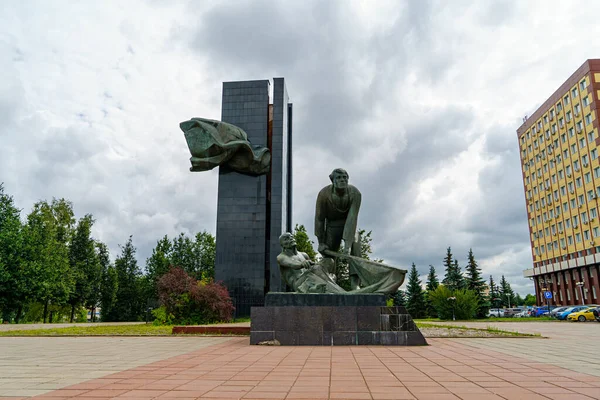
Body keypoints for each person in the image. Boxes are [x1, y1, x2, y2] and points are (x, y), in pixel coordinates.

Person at [315, 168, 361, 287]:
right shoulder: (323, 194)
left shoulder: (355, 193)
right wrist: (321, 242)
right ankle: (329, 281)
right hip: (331, 226)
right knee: (328, 255)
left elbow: (352, 218)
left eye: (345, 177)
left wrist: (347, 245)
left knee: (356, 244)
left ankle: (355, 283)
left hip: (348, 226)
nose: (342, 180)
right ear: (332, 180)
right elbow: (319, 219)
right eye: (339, 178)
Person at [276, 233, 346, 294]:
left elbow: (313, 267)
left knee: (329, 261)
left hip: (309, 276)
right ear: (283, 245)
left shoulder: (304, 255)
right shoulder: (281, 257)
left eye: (291, 237)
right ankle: (338, 289)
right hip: (298, 283)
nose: (291, 239)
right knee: (316, 268)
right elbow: (292, 264)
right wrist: (302, 264)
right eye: (286, 239)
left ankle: (326, 282)